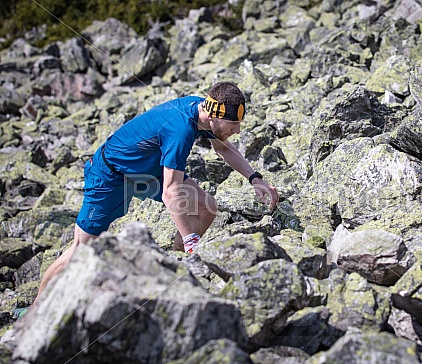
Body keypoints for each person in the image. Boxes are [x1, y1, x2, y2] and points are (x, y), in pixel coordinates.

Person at [33, 81, 279, 304]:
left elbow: (223, 149)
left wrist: (254, 178)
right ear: (213, 114)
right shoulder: (180, 130)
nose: (237, 130)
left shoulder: (202, 111)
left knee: (206, 208)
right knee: (81, 249)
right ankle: (37, 309)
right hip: (109, 175)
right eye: (233, 124)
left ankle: (177, 263)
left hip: (149, 171)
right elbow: (171, 194)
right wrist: (193, 244)